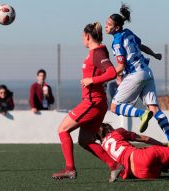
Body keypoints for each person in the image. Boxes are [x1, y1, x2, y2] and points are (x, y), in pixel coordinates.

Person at [52, 22, 122, 183]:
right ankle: (114, 165)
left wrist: (92, 80)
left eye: (83, 37)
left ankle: (70, 169)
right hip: (97, 102)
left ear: (88, 36)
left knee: (62, 130)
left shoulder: (97, 53)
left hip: (92, 102)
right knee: (84, 141)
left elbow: (112, 72)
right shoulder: (97, 52)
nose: (82, 40)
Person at [105, 4, 169, 149]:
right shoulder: (128, 32)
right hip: (147, 72)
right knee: (154, 108)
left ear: (117, 28)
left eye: (109, 24)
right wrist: (154, 54)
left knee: (114, 107)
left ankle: (141, 114)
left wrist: (103, 77)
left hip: (135, 74)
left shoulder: (117, 42)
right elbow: (141, 46)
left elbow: (120, 66)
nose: (106, 26)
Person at [97, 123, 169, 180]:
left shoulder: (103, 148)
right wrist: (163, 146)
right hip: (141, 156)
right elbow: (145, 139)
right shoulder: (117, 132)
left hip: (141, 174)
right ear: (108, 128)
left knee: (161, 163)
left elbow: (116, 168)